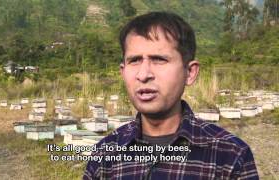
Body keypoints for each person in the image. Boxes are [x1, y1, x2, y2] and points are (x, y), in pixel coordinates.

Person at [83, 11, 259, 180]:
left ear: (190, 72)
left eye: (159, 59)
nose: (143, 74)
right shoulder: (105, 154)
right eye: (134, 60)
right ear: (123, 71)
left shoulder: (230, 155)